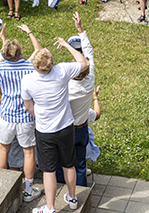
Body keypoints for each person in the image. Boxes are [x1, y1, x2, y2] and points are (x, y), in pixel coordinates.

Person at [21, 33, 89, 213]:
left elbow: (29, 106)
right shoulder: (62, 70)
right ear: (51, 63)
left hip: (44, 130)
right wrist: (66, 45)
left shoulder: (28, 80)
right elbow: (84, 63)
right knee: (69, 164)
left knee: (48, 170)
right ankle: (73, 198)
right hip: (66, 127)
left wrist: (40, 115)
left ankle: (50, 208)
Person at [0, 23, 42, 202]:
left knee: (3, 149)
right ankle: (28, 190)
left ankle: (0, 187)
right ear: (21, 53)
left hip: (6, 115)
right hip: (25, 117)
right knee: (28, 152)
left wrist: (3, 40)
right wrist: (29, 31)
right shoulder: (29, 68)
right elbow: (38, 50)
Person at [56, 12, 95, 188]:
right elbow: (89, 53)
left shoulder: (65, 88)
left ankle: (60, 190)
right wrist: (80, 30)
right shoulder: (90, 79)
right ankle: (81, 193)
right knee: (79, 165)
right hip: (82, 129)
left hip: (65, 130)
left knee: (60, 164)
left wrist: (65, 44)